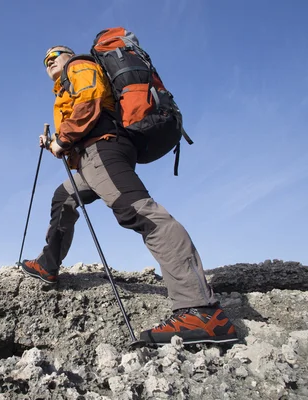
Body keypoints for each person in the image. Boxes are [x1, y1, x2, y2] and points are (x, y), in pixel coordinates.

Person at [17, 45, 238, 346]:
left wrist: (62, 139)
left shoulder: (79, 67)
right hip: (92, 157)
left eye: (55, 55)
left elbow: (89, 102)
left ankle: (200, 310)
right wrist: (57, 142)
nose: (49, 61)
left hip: (101, 151)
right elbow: (80, 117)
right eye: (45, 60)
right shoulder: (65, 84)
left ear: (69, 55)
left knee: (141, 213)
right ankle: (48, 264)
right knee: (64, 196)